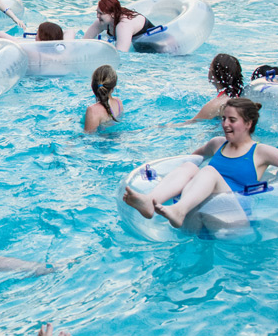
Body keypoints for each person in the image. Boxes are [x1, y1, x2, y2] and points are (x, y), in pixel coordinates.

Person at [124, 98, 278, 233]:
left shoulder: (260, 152)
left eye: (232, 120)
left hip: (234, 220)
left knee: (209, 171)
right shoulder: (217, 144)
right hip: (199, 215)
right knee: (190, 166)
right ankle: (150, 201)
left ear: (248, 124)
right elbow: (189, 159)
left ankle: (179, 210)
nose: (225, 124)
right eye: (223, 118)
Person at [82, 0, 153, 53]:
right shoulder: (102, 22)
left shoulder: (123, 26)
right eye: (97, 12)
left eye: (100, 13)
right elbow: (84, 41)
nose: (97, 16)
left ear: (112, 14)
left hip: (150, 41)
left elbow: (121, 53)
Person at [191, 53, 243, 121]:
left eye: (210, 67)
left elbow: (188, 124)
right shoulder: (239, 97)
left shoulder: (215, 105)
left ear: (214, 73)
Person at [84, 65, 122, 133]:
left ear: (93, 86)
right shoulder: (118, 102)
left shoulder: (92, 110)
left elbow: (88, 136)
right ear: (113, 88)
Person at [0, 21, 68, 43]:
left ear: (41, 37)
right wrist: (55, 34)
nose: (36, 35)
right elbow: (70, 31)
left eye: (37, 33)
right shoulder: (66, 50)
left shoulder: (29, 49)